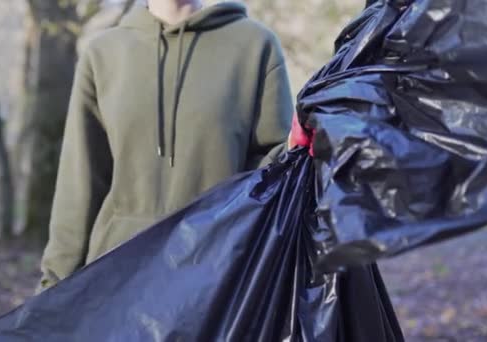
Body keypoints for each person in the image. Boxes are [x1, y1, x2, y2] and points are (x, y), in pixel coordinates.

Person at [37, 0, 298, 292]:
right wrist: (52, 287)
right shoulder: (103, 54)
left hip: (218, 280)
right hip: (115, 282)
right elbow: (79, 184)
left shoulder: (255, 45)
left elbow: (277, 174)